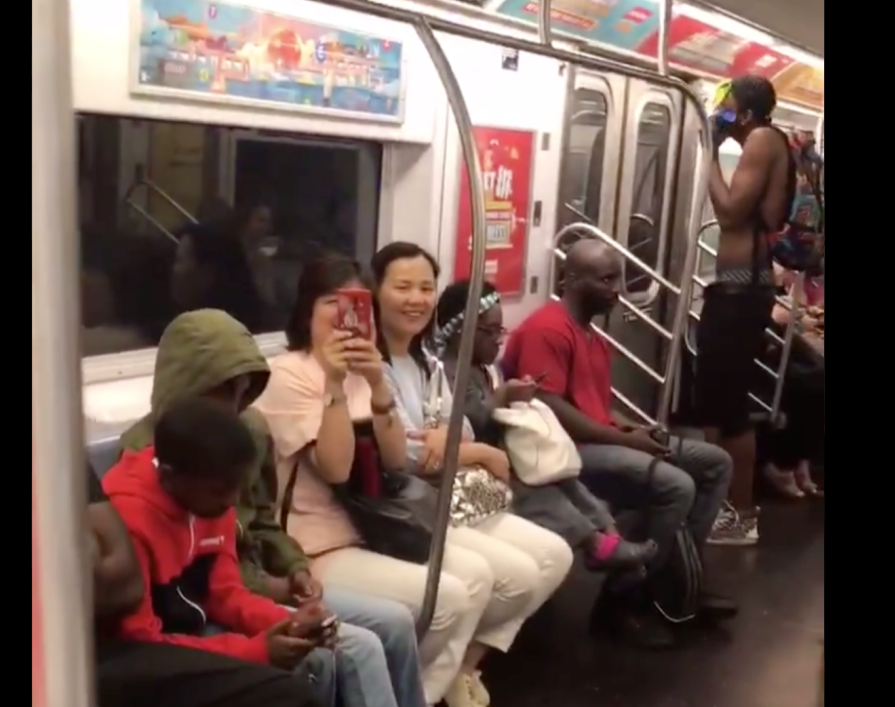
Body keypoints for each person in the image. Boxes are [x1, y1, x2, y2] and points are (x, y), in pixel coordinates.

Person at [252, 251, 567, 707]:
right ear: (307, 310)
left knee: (482, 580)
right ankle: (409, 692)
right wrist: (335, 386)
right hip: (316, 543)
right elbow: (336, 468)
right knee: (454, 595)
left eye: (354, 303)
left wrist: (376, 385)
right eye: (331, 302)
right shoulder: (291, 374)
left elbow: (396, 459)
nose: (344, 315)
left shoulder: (368, 369)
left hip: (374, 526)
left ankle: (418, 691)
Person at [116, 309, 427, 707]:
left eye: (240, 393)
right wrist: (264, 633)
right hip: (175, 626)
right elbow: (142, 642)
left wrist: (290, 593)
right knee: (340, 654)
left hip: (237, 592)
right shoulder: (138, 501)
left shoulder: (234, 457)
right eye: (220, 392)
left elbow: (243, 548)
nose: (232, 406)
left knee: (391, 623)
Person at [501, 239, 734, 649]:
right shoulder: (547, 329)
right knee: (674, 486)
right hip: (561, 454)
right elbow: (549, 406)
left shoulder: (594, 337)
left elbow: (599, 407)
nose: (617, 289)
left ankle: (676, 584)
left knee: (715, 463)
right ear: (572, 279)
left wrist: (637, 430)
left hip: (594, 441)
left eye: (619, 279)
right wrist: (627, 442)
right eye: (607, 279)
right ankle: (621, 603)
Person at [370, 243, 574, 704]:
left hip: (452, 492)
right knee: (510, 575)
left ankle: (462, 664)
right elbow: (407, 454)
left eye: (425, 288)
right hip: (409, 501)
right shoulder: (371, 366)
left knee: (554, 555)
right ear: (375, 293)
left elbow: (451, 425)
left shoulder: (426, 362)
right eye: (402, 287)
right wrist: (475, 450)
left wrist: (449, 439)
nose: (416, 299)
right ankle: (422, 688)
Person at [433, 279, 656, 570]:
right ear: (461, 332)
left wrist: (517, 395)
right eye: (490, 331)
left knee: (564, 478)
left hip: (510, 452)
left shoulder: (485, 368)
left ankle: (608, 532)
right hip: (482, 463)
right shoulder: (450, 372)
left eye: (500, 330)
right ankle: (594, 543)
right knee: (540, 490)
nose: (499, 339)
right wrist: (504, 396)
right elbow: (471, 421)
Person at [88, 460, 323, 707]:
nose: (231, 502)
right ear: (171, 476)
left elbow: (225, 591)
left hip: (195, 624)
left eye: (237, 491)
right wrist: (257, 650)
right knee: (292, 688)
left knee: (329, 655)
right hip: (138, 647)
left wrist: (289, 624)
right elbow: (139, 633)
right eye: (220, 493)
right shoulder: (134, 513)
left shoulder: (214, 494)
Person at [699, 75, 797, 545]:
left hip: (743, 288)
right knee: (716, 401)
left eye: (727, 105)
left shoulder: (760, 138)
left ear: (748, 112)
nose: (722, 111)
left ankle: (742, 514)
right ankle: (722, 506)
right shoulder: (767, 139)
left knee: (730, 406)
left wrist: (709, 153)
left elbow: (731, 212)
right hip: (738, 286)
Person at [760, 270, 825, 499]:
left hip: (783, 335)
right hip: (766, 341)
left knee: (817, 377)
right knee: (807, 383)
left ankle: (801, 460)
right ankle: (786, 462)